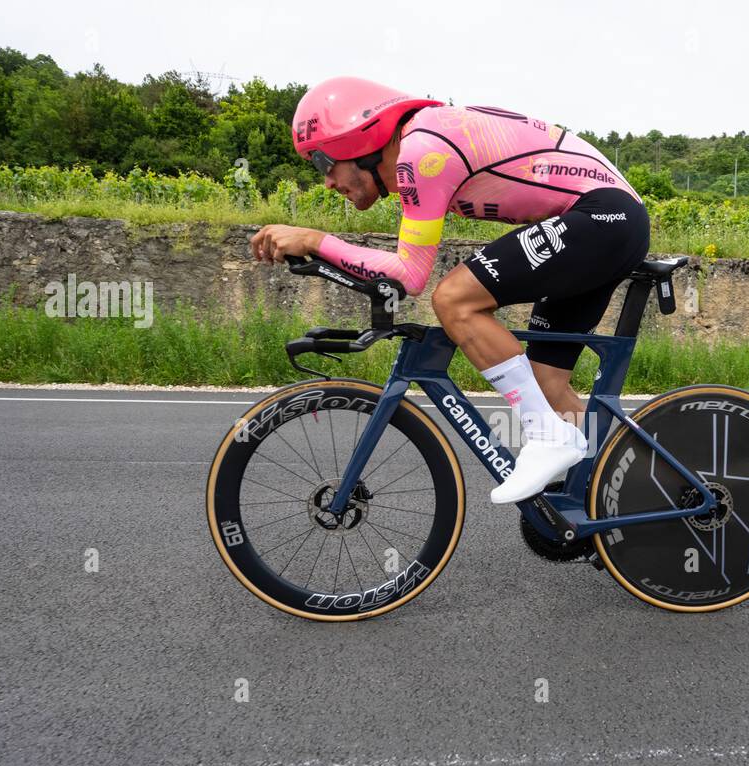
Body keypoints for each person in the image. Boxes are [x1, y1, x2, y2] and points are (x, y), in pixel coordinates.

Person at [250, 77, 650, 504]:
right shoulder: (424, 138)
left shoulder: (421, 151)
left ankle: (548, 438)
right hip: (607, 221)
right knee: (544, 383)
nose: (326, 182)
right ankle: (643, 490)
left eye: (323, 163)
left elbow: (409, 276)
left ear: (359, 143)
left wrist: (315, 241)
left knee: (454, 298)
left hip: (602, 217)